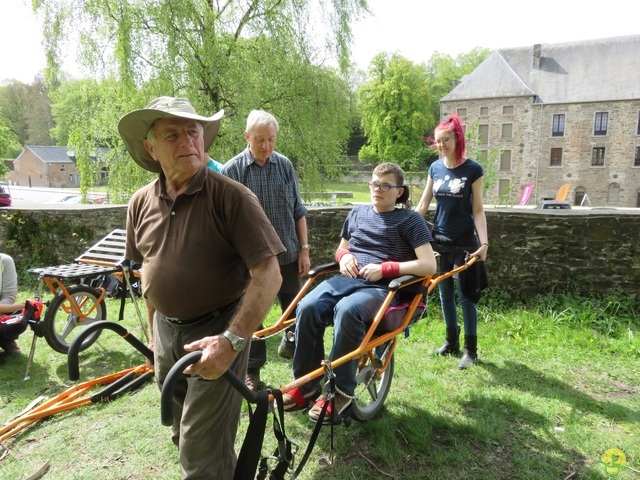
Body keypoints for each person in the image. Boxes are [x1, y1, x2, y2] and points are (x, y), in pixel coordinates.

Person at [118, 96, 285, 479]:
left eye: (193, 132)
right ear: (150, 147)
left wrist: (231, 342)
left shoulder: (232, 197)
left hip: (218, 330)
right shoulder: (140, 203)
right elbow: (148, 270)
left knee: (202, 451)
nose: (187, 142)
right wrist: (154, 336)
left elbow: (269, 273)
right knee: (181, 432)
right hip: (167, 334)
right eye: (172, 134)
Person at [284, 163, 436, 422]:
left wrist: (385, 269)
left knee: (348, 310)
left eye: (385, 186)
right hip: (347, 280)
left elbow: (429, 264)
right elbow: (342, 248)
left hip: (383, 288)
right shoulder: (357, 213)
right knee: (307, 306)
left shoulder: (411, 220)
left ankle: (339, 392)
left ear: (399, 192)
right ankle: (306, 386)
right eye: (374, 184)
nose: (377, 190)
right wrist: (343, 257)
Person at [223, 110, 310, 391]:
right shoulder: (232, 170)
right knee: (253, 317)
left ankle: (299, 357)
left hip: (288, 253)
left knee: (297, 311)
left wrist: (305, 250)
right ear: (247, 136)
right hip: (252, 261)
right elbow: (226, 222)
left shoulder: (284, 165)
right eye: (260, 139)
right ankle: (252, 371)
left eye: (271, 139)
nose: (266, 146)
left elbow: (298, 210)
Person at [415, 114, 489, 370]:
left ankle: (471, 350)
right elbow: (424, 204)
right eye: (438, 141)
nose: (442, 145)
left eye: (446, 140)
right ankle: (451, 342)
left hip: (466, 242)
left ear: (457, 139)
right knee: (445, 295)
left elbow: (478, 209)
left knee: (466, 297)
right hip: (440, 241)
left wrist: (484, 244)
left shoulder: (473, 170)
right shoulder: (435, 169)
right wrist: (405, 227)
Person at [0, 253, 25, 353]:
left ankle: (6, 340)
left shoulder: (5, 261)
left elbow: (9, 296)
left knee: (20, 315)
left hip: (1, 309)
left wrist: (19, 307)